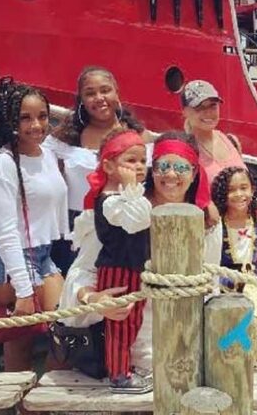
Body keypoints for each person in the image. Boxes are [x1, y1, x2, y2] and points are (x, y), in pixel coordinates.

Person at [59, 131, 214, 380]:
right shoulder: (121, 212)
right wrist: (93, 297)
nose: (171, 175)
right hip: (134, 352)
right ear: (153, 171)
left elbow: (212, 284)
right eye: (163, 165)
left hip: (188, 346)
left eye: (182, 167)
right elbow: (80, 272)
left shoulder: (206, 222)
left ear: (194, 173)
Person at [0, 80, 68, 370]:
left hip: (42, 253)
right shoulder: (3, 163)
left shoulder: (48, 154)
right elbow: (5, 232)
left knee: (64, 331)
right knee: (20, 344)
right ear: (10, 121)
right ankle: (21, 408)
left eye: (42, 116)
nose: (36, 125)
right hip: (8, 258)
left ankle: (42, 402)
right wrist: (24, 290)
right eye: (25, 118)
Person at [45, 66, 148, 275]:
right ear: (81, 100)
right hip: (79, 225)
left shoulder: (137, 135)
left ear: (116, 93)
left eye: (105, 90)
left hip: (124, 224)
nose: (99, 98)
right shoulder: (65, 138)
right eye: (90, 93)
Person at [83, 129, 152, 393]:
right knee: (120, 324)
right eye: (131, 161)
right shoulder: (112, 201)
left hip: (132, 268)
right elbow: (138, 220)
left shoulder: (125, 196)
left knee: (132, 320)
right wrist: (132, 189)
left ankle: (124, 367)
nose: (139, 167)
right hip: (117, 269)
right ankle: (119, 374)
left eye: (142, 161)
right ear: (109, 165)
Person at [181, 79, 245, 185]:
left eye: (213, 105)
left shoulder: (231, 141)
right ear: (185, 112)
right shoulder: (184, 150)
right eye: (199, 107)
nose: (208, 112)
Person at [210, 166, 257, 275]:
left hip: (251, 284)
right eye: (231, 190)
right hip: (223, 285)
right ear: (223, 194)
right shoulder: (216, 226)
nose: (239, 194)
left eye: (243, 188)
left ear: (252, 190)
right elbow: (211, 264)